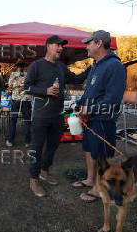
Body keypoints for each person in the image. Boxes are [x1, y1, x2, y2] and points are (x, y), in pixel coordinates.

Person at [24, 35, 91, 197]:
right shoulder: (37, 66)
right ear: (48, 46)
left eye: (62, 46)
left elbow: (76, 79)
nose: (61, 48)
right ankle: (34, 179)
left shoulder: (61, 67)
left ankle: (44, 171)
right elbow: (26, 88)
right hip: (41, 115)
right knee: (36, 147)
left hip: (58, 115)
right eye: (58, 45)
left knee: (53, 146)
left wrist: (91, 68)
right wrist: (45, 91)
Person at [71, 30, 127, 202]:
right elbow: (90, 91)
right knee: (89, 150)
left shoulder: (115, 66)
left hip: (103, 119)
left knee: (100, 154)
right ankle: (90, 179)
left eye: (88, 43)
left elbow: (113, 97)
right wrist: (80, 103)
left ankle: (98, 189)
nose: (86, 46)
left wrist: (92, 109)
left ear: (99, 43)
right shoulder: (96, 65)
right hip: (91, 118)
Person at [6, 61, 32, 147]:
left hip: (16, 99)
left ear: (17, 66)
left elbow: (9, 85)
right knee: (27, 121)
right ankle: (28, 142)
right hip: (26, 100)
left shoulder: (13, 74)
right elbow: (31, 85)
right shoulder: (28, 74)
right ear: (24, 67)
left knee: (13, 120)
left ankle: (10, 141)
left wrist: (15, 86)